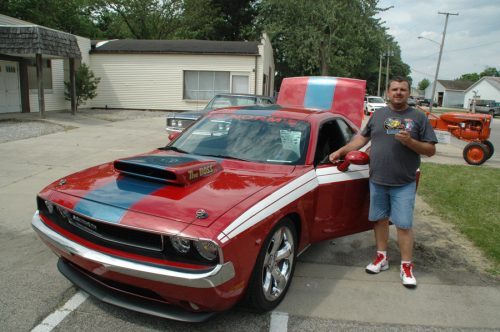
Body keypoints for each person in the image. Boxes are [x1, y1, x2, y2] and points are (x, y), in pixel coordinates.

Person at [329, 77, 437, 288]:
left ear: (408, 93)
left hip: (404, 181)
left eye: (403, 89)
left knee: (404, 225)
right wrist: (341, 151)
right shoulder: (378, 115)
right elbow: (362, 139)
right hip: (377, 180)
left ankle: (406, 266)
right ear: (388, 92)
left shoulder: (418, 118)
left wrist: (410, 142)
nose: (398, 92)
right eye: (395, 89)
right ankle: (382, 258)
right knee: (379, 220)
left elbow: (431, 150)